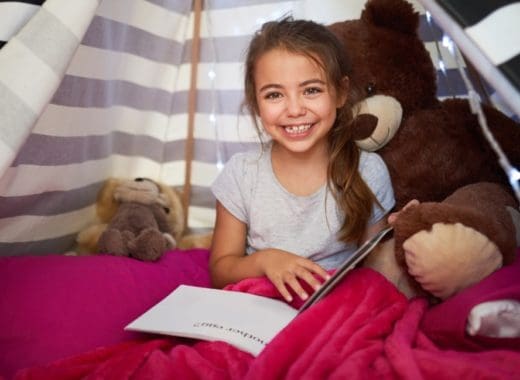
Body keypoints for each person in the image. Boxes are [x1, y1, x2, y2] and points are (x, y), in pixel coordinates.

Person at [210, 17, 395, 303]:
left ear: (341, 93)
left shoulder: (368, 170)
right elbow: (221, 270)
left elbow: (376, 269)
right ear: (256, 103)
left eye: (311, 90)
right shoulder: (241, 175)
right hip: (260, 307)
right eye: (274, 95)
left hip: (334, 307)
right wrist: (266, 261)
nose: (294, 109)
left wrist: (402, 233)